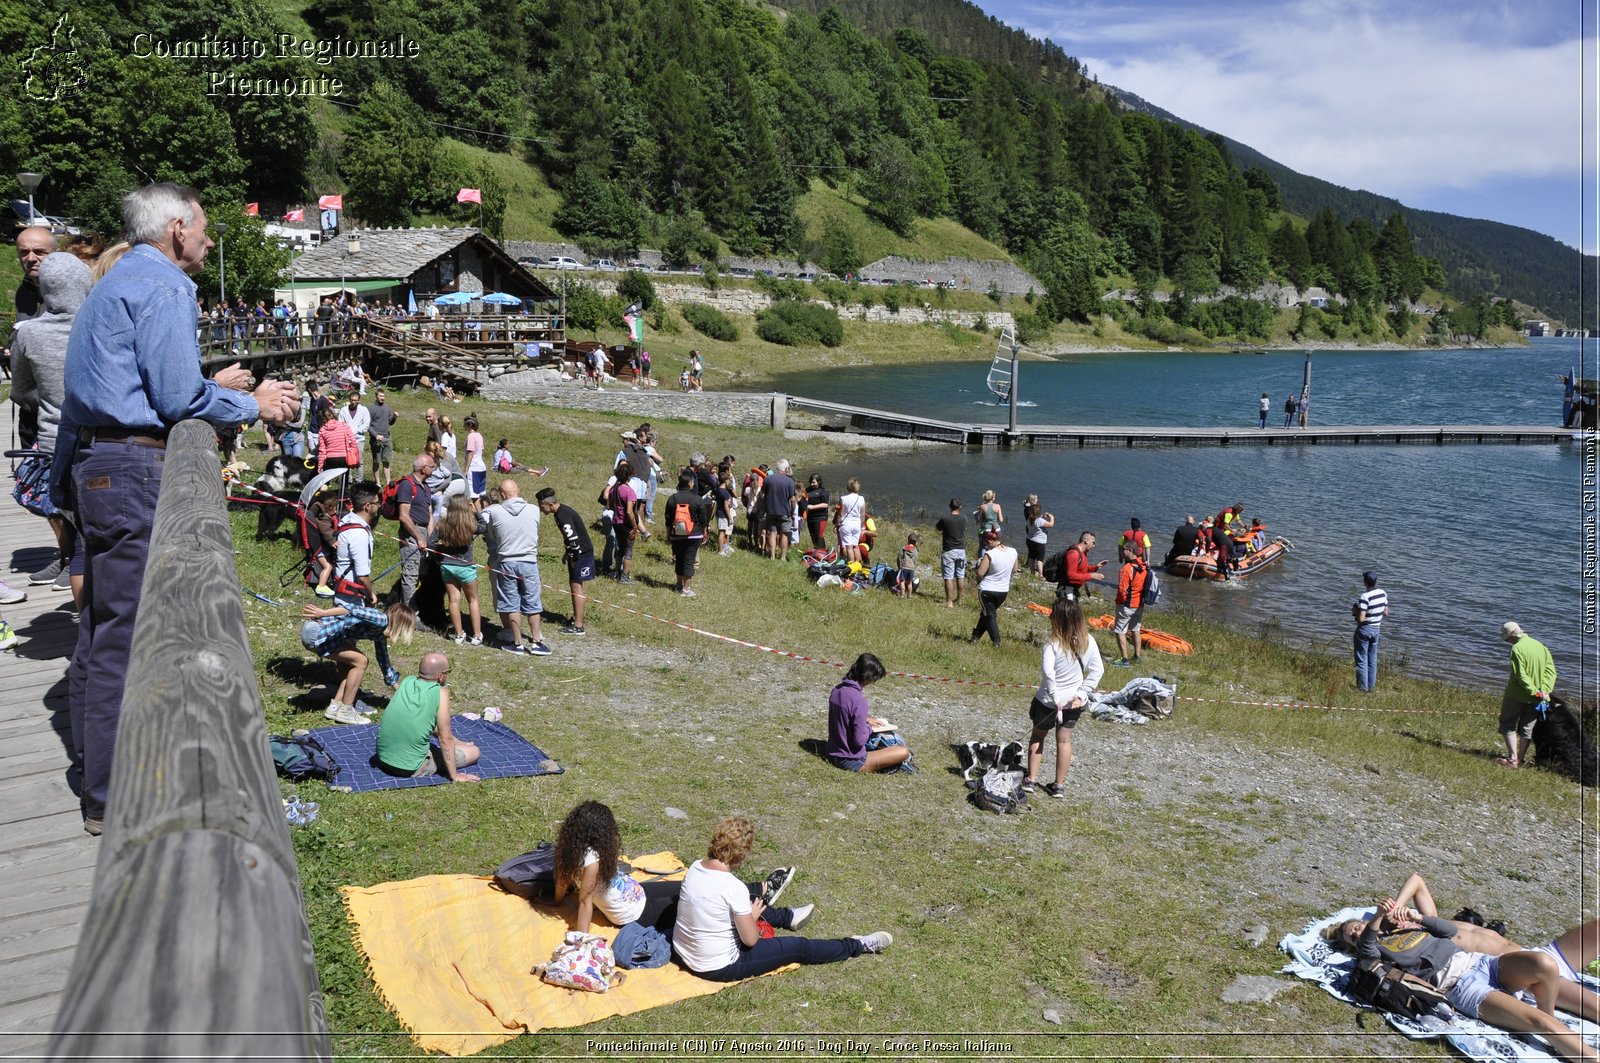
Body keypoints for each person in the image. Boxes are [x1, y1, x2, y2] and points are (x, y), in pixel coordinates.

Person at [52, 184, 297, 835]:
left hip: (96, 468)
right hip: (133, 470)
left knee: (104, 629)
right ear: (177, 228)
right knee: (128, 637)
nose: (210, 241)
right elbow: (177, 398)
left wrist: (59, 488)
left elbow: (94, 398)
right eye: (204, 229)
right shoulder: (165, 287)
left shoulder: (112, 284)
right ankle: (110, 794)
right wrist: (257, 404)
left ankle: (95, 772)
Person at [1323, 906, 1597, 1063]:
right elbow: (1368, 944)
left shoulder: (1403, 927)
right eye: (1353, 937)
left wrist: (1417, 918)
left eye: (1356, 927)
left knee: (1544, 964)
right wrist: (1372, 926)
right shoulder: (1372, 952)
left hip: (1482, 963)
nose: (1358, 933)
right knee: (1541, 1025)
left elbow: (1448, 930)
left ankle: (1549, 1017)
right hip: (1462, 987)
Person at [672, 816, 891, 982]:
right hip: (716, 966)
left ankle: (789, 918)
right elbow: (750, 940)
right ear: (742, 853)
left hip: (683, 953)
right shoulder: (733, 887)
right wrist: (752, 917)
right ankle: (856, 945)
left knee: (745, 902)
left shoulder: (695, 867)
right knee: (798, 947)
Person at [1379, 872, 1600, 1024]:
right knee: (1595, 1008)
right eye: (1395, 924)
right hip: (1529, 975)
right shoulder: (1429, 941)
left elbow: (1416, 880)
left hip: (1540, 953)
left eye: (1398, 917)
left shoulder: (1433, 921)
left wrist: (1398, 905)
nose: (1401, 921)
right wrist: (1385, 922)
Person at [11, 252, 91, 598]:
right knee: (94, 534)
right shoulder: (98, 325)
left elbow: (20, 391)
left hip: (51, 439)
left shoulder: (28, 332)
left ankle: (71, 577)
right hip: (96, 439)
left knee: (70, 523)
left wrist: (47, 397)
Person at [553, 801, 682, 934]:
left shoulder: (568, 850)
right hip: (634, 913)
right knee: (687, 902)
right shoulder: (592, 864)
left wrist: (556, 903)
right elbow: (585, 902)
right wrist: (580, 941)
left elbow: (561, 883)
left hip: (638, 892)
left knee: (685, 886)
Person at [1024, 596, 1104, 798]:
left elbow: (1048, 672)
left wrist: (1054, 695)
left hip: (1049, 701)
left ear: (1056, 620)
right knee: (1064, 741)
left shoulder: (1052, 643)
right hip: (1073, 702)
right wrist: (1082, 693)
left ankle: (1031, 780)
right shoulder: (1088, 641)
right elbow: (1097, 670)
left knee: (1038, 737)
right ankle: (1058, 785)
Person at [300, 599, 415, 724]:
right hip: (317, 632)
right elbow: (351, 608)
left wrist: (398, 688)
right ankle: (346, 710)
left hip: (328, 636)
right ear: (400, 624)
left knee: (351, 668)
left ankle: (335, 707)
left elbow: (383, 660)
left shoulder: (380, 634)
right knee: (362, 661)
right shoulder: (380, 618)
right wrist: (322, 612)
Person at [375, 652, 480, 782]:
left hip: (383, 759)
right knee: (474, 751)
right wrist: (455, 776)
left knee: (456, 744)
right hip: (410, 767)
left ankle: (458, 744)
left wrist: (456, 741)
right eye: (448, 671)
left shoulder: (407, 682)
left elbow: (427, 723)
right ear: (440, 676)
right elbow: (445, 739)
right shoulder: (441, 692)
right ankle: (454, 756)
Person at [478, 479, 550, 655]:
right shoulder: (533, 510)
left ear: (502, 495)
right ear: (518, 491)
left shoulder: (495, 513)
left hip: (506, 561)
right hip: (529, 561)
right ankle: (536, 641)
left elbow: (494, 536)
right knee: (533, 602)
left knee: (511, 603)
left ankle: (517, 643)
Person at [825, 653, 912, 772]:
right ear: (868, 678)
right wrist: (869, 728)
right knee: (903, 751)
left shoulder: (836, 690)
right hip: (851, 760)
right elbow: (859, 741)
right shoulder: (859, 701)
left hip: (832, 752)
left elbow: (844, 715)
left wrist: (865, 719)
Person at [536, 487, 594, 635]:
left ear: (549, 504)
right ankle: (576, 618)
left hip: (582, 553)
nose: (541, 509)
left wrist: (574, 557)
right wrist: (567, 552)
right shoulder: (560, 513)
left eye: (541, 506)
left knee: (576, 587)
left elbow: (573, 537)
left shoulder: (563, 515)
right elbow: (569, 538)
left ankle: (578, 626)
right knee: (575, 586)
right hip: (577, 552)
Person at [1498, 621, 1556, 768]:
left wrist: (1533, 691)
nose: (1507, 642)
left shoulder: (1516, 649)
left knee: (1507, 723)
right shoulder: (1540, 646)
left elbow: (1520, 675)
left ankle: (1512, 759)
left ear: (1511, 636)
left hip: (1517, 694)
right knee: (1527, 728)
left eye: (1506, 639)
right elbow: (1551, 672)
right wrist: (1544, 690)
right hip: (1538, 697)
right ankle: (1520, 759)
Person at [434, 496, 483, 645]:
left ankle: (459, 634)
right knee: (473, 600)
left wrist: (441, 552)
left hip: (447, 566)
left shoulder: (443, 524)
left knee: (453, 600)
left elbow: (431, 542)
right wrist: (476, 512)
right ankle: (476, 635)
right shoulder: (470, 525)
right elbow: (484, 526)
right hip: (465, 567)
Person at [394, 454, 436, 609]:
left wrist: (431, 539)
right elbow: (404, 516)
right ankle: (410, 614)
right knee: (410, 573)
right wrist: (418, 538)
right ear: (423, 468)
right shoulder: (407, 485)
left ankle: (416, 607)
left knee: (419, 573)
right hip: (411, 534)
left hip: (424, 533)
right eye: (432, 466)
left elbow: (429, 514)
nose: (434, 469)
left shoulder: (426, 487)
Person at [663, 469, 712, 596]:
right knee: (689, 559)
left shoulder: (672, 499)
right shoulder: (696, 499)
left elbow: (668, 519)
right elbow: (703, 519)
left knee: (679, 558)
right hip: (694, 534)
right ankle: (686, 589)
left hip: (677, 534)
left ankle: (678, 585)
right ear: (690, 483)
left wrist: (669, 534)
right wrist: (705, 532)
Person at [969, 529, 1018, 646]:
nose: (987, 545)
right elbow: (1015, 570)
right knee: (986, 613)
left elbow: (980, 573)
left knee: (990, 615)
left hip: (987, 590)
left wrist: (976, 569)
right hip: (1003, 591)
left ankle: (996, 642)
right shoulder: (1013, 551)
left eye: (987, 542)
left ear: (990, 540)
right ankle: (975, 637)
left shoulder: (990, 554)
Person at [603, 459, 643, 583]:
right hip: (626, 523)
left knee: (620, 548)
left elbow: (609, 506)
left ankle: (617, 572)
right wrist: (635, 526)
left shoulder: (613, 489)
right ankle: (625, 577)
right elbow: (629, 511)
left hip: (615, 521)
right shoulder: (629, 491)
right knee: (628, 551)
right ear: (629, 476)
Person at [1352, 570, 1387, 692]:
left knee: (1361, 659)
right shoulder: (1383, 593)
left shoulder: (1365, 596)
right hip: (1376, 629)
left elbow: (1361, 619)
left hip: (1365, 630)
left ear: (1365, 582)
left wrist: (1356, 611)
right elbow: (1386, 612)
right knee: (1372, 659)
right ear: (1376, 581)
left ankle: (1362, 688)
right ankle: (1371, 687)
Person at [1112, 544, 1147, 666]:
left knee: (1120, 631)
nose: (1121, 552)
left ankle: (1124, 659)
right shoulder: (1144, 566)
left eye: (1123, 550)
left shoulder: (1126, 569)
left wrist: (1119, 602)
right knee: (1135, 629)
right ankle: (1137, 656)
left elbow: (1122, 590)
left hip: (1127, 605)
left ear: (1130, 551)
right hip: (1140, 604)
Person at [932, 497, 968, 608]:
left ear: (950, 507)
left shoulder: (945, 519)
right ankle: (960, 599)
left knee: (948, 577)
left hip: (949, 550)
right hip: (961, 550)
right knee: (960, 576)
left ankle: (949, 602)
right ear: (960, 507)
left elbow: (938, 528)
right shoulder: (964, 518)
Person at [760, 459, 798, 562]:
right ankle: (782, 557)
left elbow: (762, 495)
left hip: (771, 510)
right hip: (785, 511)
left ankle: (772, 556)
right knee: (784, 533)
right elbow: (793, 499)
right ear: (786, 469)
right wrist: (792, 511)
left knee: (772, 532)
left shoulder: (768, 479)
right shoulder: (790, 481)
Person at [1062, 531, 1106, 600]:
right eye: (1093, 542)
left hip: (1073, 589)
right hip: (1067, 588)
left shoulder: (1083, 553)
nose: (1094, 545)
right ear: (1086, 541)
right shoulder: (1074, 554)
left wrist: (1095, 568)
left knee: (1073, 610)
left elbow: (1081, 568)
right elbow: (1070, 575)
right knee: (1068, 610)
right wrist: (1091, 576)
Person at [337, 392, 370, 480]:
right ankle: (348, 480)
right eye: (351, 400)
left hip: (359, 439)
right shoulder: (344, 410)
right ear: (349, 400)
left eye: (355, 400)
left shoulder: (364, 410)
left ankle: (359, 480)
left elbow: (366, 424)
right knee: (347, 460)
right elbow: (340, 423)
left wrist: (356, 430)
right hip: (346, 439)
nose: (353, 402)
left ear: (359, 400)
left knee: (359, 461)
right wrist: (347, 432)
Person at [367, 388, 397, 486]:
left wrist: (394, 417)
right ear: (376, 396)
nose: (382, 398)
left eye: (383, 396)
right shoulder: (371, 408)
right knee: (376, 461)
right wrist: (375, 435)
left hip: (387, 437)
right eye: (380, 396)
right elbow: (367, 425)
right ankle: (378, 483)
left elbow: (390, 422)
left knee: (386, 461)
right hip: (376, 439)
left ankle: (388, 483)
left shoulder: (387, 408)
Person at [834, 478, 866, 564]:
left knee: (849, 547)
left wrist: (837, 524)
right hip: (857, 524)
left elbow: (841, 514)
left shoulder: (843, 499)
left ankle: (851, 565)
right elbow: (862, 515)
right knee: (855, 546)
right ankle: (859, 565)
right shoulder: (862, 499)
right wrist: (862, 527)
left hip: (846, 524)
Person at [316, 409, 358, 473]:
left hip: (330, 458)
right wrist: (353, 450)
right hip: (344, 457)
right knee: (344, 479)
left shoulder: (322, 430)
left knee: (328, 479)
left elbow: (322, 450)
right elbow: (353, 440)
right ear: (333, 414)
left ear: (322, 419)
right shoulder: (344, 425)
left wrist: (320, 465)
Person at [1023, 496, 1055, 578]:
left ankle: (1032, 572)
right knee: (1040, 558)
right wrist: (1052, 517)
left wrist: (1042, 517)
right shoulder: (1040, 521)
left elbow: (1036, 520)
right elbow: (1051, 524)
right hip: (1039, 542)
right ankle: (1041, 575)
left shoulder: (1029, 520)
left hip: (1029, 540)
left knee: (1031, 556)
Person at [463, 414, 487, 501]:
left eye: (465, 425)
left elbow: (470, 453)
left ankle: (479, 514)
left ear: (470, 425)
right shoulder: (479, 435)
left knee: (474, 496)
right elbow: (482, 450)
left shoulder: (471, 436)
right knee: (481, 493)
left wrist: (466, 469)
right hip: (481, 467)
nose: (464, 426)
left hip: (473, 468)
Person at [803, 474, 830, 550]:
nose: (812, 484)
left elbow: (825, 504)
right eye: (811, 482)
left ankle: (822, 552)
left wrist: (813, 507)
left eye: (814, 482)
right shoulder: (807, 490)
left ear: (819, 482)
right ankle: (816, 551)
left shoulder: (823, 491)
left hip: (821, 517)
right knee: (812, 535)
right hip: (810, 517)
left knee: (819, 535)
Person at [894, 531, 919, 598]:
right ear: (916, 543)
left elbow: (899, 557)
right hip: (911, 568)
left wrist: (899, 565)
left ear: (908, 541)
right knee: (909, 582)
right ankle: (909, 595)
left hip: (904, 567)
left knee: (902, 581)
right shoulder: (916, 550)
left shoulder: (904, 548)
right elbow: (915, 559)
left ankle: (902, 595)